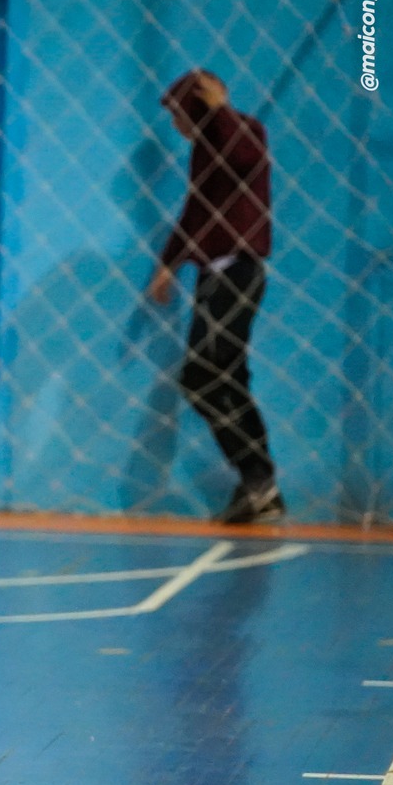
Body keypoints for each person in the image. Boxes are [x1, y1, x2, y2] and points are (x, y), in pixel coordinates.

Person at [146, 70, 280, 524]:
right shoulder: (203, 150)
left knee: (201, 376)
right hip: (213, 274)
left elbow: (244, 157)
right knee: (228, 379)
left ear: (197, 107)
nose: (175, 125)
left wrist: (221, 109)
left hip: (238, 272)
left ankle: (258, 478)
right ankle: (261, 487)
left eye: (178, 114)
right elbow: (197, 208)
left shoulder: (243, 129)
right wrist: (169, 262)